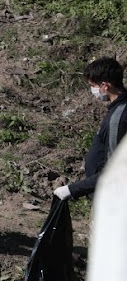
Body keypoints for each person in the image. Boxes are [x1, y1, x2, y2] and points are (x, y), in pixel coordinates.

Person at [54, 57, 127, 202]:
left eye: (94, 86)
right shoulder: (120, 108)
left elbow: (115, 171)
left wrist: (72, 189)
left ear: (105, 86)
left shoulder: (118, 118)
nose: (93, 91)